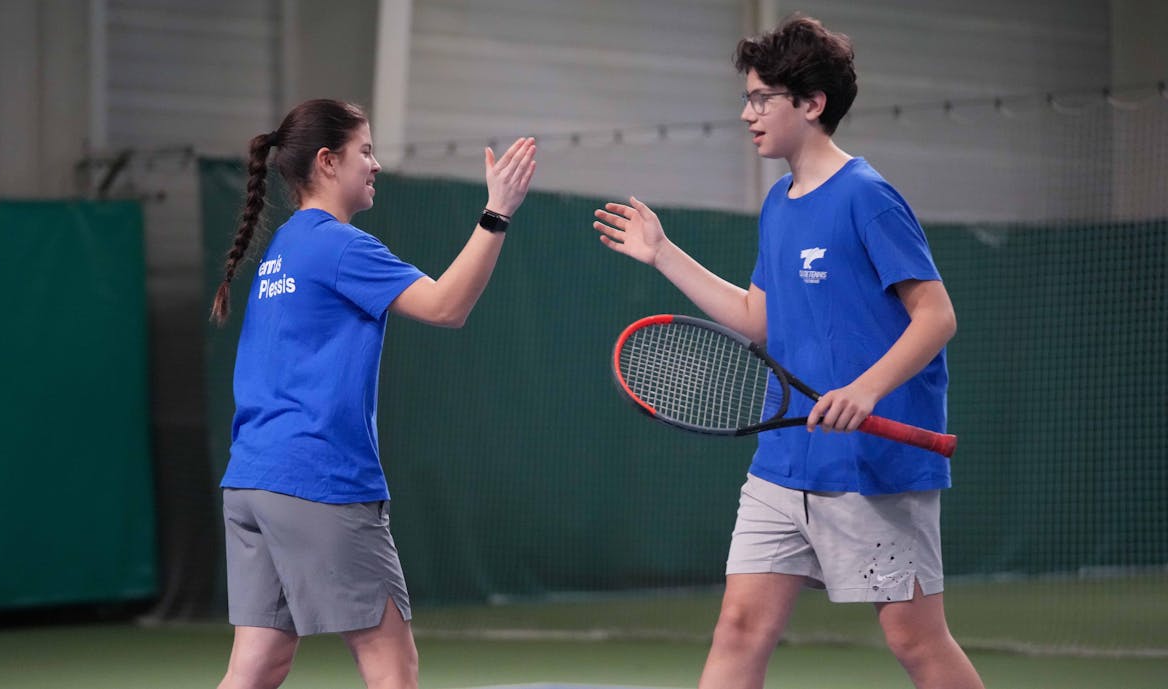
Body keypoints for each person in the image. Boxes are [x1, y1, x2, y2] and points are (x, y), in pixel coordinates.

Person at [592, 15, 984, 689]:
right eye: (746, 98)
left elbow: (936, 315)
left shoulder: (867, 197)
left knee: (914, 639)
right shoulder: (780, 203)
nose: (747, 114)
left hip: (875, 466)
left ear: (810, 103)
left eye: (760, 98)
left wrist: (864, 389)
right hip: (784, 463)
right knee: (741, 626)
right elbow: (757, 319)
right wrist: (662, 253)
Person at [209, 98, 536, 689]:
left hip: (251, 484)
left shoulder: (282, 250)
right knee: (392, 666)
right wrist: (497, 212)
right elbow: (446, 306)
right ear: (328, 162)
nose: (376, 164)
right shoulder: (338, 246)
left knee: (256, 665)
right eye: (365, 151)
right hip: (318, 482)